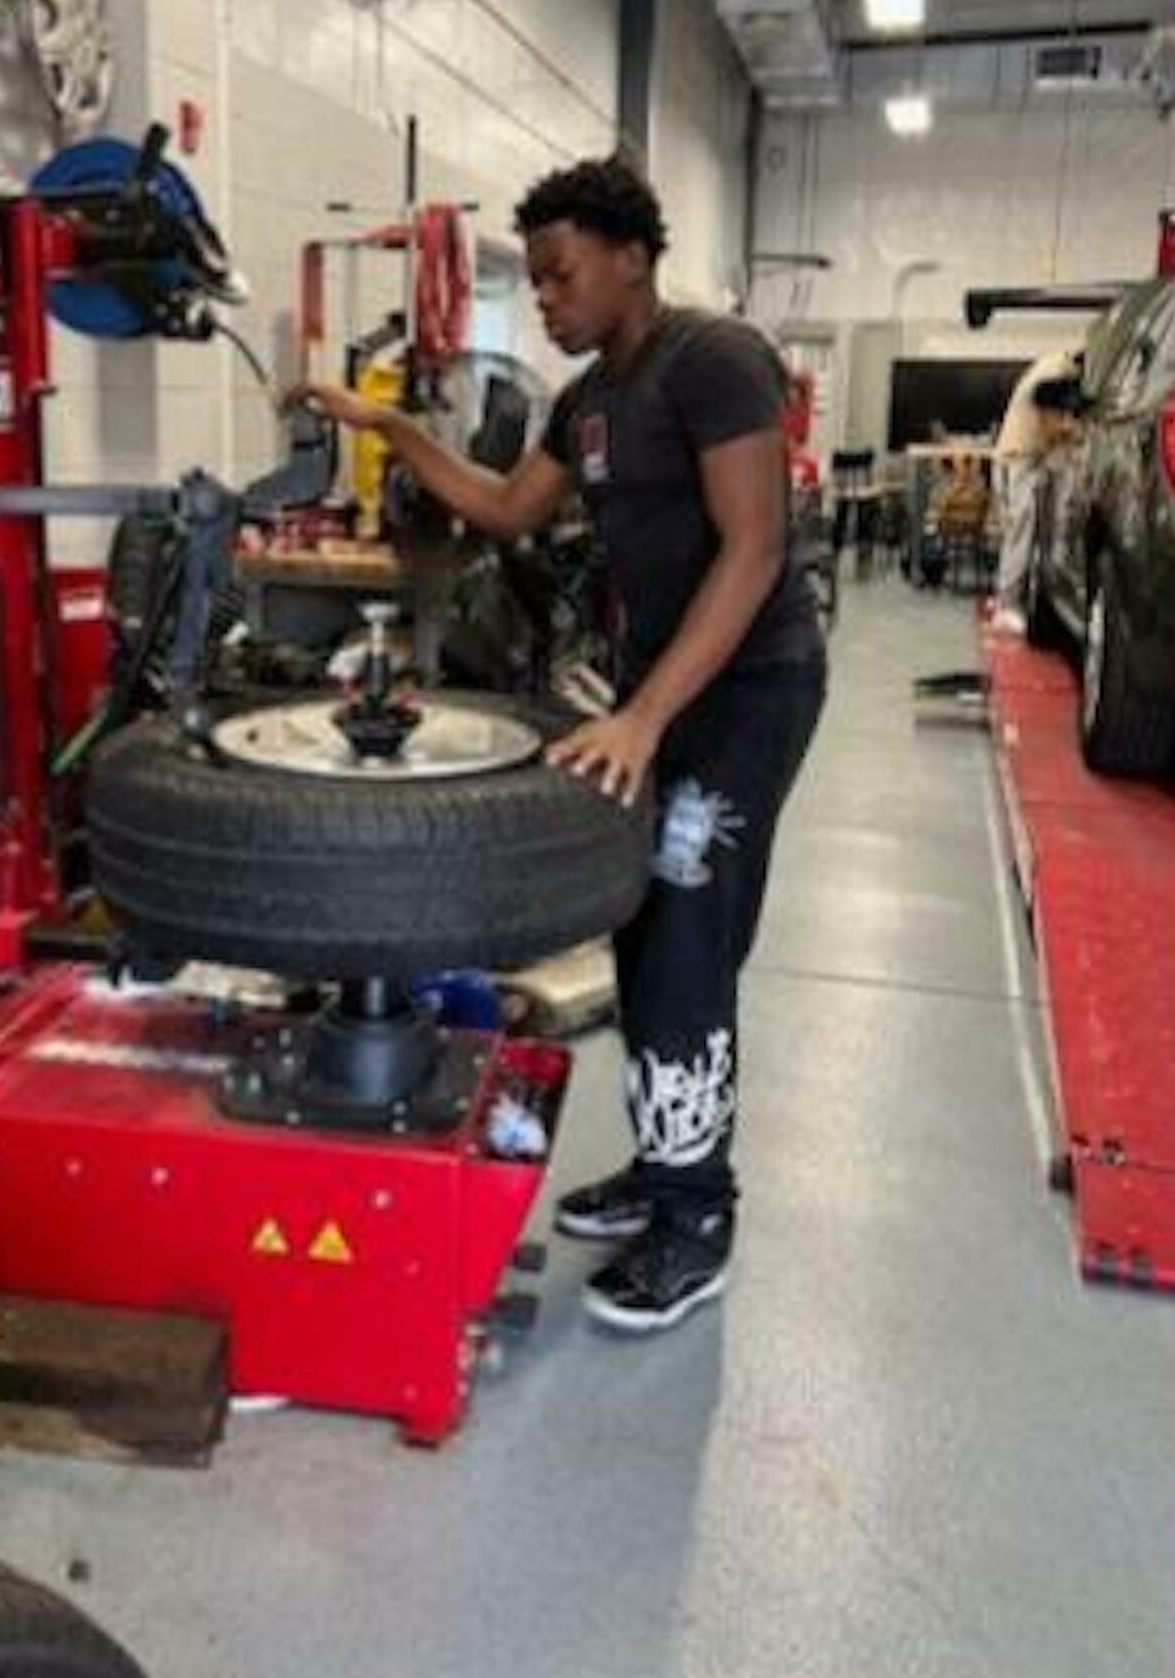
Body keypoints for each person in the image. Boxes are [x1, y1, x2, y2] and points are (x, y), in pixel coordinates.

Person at [292, 155, 826, 1335]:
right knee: (642, 923)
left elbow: (754, 550)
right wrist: (385, 424)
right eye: (533, 279)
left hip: (745, 685)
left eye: (558, 272)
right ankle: (660, 1165)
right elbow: (502, 509)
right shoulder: (587, 400)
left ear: (632, 255)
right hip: (659, 692)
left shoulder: (714, 359)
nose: (543, 296)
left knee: (688, 931)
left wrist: (643, 715)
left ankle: (698, 1217)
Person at [992, 347, 1083, 631]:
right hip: (1021, 458)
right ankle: (1007, 606)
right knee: (1022, 532)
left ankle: (1007, 598)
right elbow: (1050, 418)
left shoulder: (1051, 363)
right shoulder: (1058, 372)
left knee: (1019, 532)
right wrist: (1076, 431)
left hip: (1017, 457)